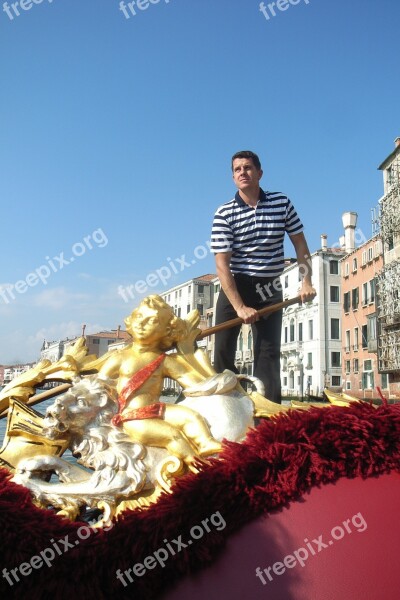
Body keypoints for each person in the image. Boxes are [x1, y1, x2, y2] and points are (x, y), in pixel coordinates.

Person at [210, 150, 316, 404]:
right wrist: (239, 307)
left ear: (259, 173)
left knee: (267, 352)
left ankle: (268, 414)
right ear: (233, 177)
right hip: (236, 284)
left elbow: (300, 245)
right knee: (223, 350)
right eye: (237, 169)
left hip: (270, 286)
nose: (243, 173)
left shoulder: (281, 203)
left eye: (247, 168)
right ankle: (224, 406)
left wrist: (306, 281)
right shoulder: (224, 213)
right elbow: (222, 265)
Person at [98, 295, 222, 467]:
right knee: (172, 435)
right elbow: (97, 388)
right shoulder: (119, 358)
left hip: (157, 410)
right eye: (139, 317)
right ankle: (196, 465)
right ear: (131, 320)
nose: (141, 324)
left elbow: (192, 382)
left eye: (152, 321)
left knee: (190, 416)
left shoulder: (164, 361)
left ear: (166, 331)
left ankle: (206, 443)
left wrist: (199, 363)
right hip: (132, 418)